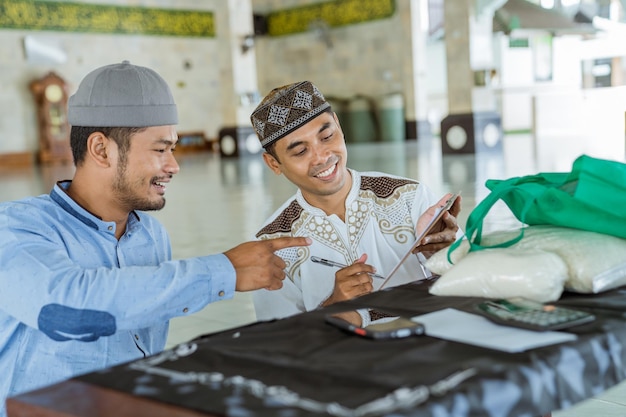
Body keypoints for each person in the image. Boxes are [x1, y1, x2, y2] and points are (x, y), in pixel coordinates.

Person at [0, 61, 309, 414]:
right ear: (101, 149)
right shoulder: (15, 227)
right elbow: (65, 310)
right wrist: (223, 272)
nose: (174, 165)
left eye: (172, 149)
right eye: (160, 150)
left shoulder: (149, 235)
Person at [250, 81, 462, 323]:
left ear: (339, 126)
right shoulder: (271, 246)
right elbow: (280, 341)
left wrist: (443, 254)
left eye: (327, 136)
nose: (322, 157)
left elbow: (474, 286)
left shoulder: (408, 197)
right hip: (344, 359)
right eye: (300, 152)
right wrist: (333, 306)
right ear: (274, 163)